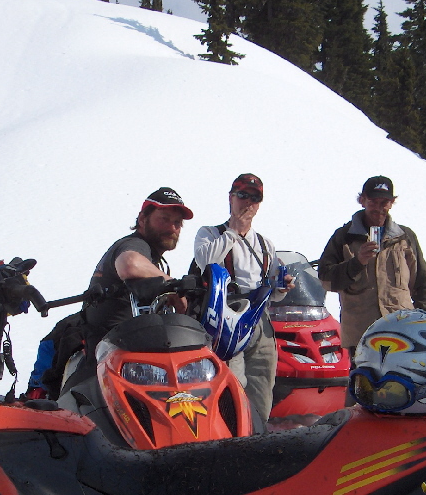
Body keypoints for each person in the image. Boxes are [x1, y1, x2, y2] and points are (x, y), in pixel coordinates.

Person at [192, 173, 292, 423]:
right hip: (225, 319)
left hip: (260, 320)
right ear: (230, 198)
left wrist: (282, 288)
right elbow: (205, 261)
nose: (248, 202)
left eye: (255, 198)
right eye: (243, 195)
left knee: (262, 387)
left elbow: (273, 290)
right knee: (230, 385)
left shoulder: (265, 243)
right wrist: (233, 232)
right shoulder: (210, 233)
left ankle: (257, 437)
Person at [317, 175, 426, 354]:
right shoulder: (344, 237)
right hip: (362, 338)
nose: (379, 208)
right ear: (362, 200)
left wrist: (421, 323)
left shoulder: (404, 237)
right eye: (373, 201)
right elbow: (325, 279)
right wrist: (357, 262)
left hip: (401, 335)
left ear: (392, 202)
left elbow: (421, 284)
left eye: (384, 202)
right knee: (364, 383)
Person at [81, 187, 193, 361]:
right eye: (164, 219)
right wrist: (173, 286)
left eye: (178, 223)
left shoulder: (150, 256)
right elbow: (130, 265)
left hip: (116, 349)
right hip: (114, 355)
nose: (172, 227)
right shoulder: (135, 244)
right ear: (142, 219)